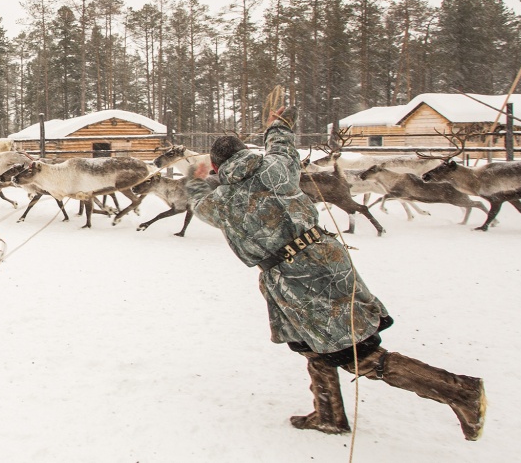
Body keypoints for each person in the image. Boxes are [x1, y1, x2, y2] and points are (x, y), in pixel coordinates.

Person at [184, 105, 486, 440]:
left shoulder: (223, 198)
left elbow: (201, 207)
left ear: (216, 166)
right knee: (312, 343)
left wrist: (195, 181)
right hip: (323, 256)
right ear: (245, 152)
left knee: (358, 355)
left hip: (295, 275)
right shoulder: (277, 166)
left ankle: (461, 392)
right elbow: (282, 142)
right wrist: (279, 122)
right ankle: (329, 415)